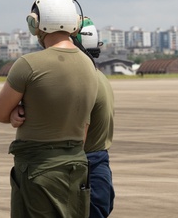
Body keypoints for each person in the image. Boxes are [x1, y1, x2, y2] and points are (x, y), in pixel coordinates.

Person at [0, 0, 98, 218]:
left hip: (39, 171)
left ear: (37, 24)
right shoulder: (90, 66)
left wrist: (16, 110)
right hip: (76, 168)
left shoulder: (28, 64)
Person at [75, 18, 115, 218]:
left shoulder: (84, 81)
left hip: (84, 168)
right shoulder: (98, 76)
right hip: (98, 166)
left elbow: (79, 133)